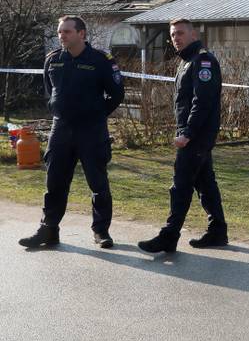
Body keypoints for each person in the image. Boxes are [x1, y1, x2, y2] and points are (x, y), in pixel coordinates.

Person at [19, 16, 125, 249]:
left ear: (81, 34)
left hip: (91, 130)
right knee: (54, 180)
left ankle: (101, 232)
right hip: (62, 128)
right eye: (60, 32)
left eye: (67, 31)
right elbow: (50, 91)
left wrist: (96, 114)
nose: (62, 36)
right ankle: (49, 229)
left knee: (98, 182)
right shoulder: (53, 60)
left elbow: (116, 94)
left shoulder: (101, 60)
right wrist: (57, 110)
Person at [138, 18, 228, 253]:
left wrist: (187, 132)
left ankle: (169, 235)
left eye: (180, 33)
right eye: (172, 34)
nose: (175, 38)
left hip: (197, 134)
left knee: (181, 184)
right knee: (205, 183)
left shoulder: (202, 60)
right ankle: (218, 231)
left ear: (193, 35)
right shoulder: (187, 61)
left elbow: (203, 101)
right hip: (194, 133)